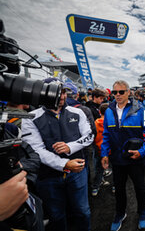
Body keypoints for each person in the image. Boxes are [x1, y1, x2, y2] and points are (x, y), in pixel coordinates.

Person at [22, 77, 94, 231]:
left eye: (63, 92)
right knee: (57, 216)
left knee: (83, 211)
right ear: (44, 93)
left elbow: (89, 136)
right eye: (56, 92)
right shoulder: (31, 118)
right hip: (48, 176)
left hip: (77, 171)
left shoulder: (77, 112)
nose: (62, 96)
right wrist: (64, 164)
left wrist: (70, 147)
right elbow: (36, 150)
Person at [100, 80, 145, 231]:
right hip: (117, 160)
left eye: (121, 92)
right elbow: (106, 135)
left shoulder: (142, 109)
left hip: (135, 159)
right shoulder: (109, 111)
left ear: (128, 92)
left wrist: (142, 151)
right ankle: (120, 213)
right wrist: (104, 154)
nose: (117, 95)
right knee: (119, 189)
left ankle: (142, 212)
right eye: (114, 92)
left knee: (140, 188)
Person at [91, 103, 111, 196]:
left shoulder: (95, 123)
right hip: (111, 150)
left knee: (99, 169)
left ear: (99, 112)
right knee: (115, 168)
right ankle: (115, 187)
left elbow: (93, 137)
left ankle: (95, 187)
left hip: (99, 150)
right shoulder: (112, 122)